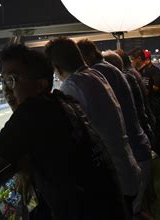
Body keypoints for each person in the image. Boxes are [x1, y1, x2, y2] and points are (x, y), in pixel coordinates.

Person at [0, 44, 125, 219]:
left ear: (41, 84)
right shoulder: (65, 101)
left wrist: (21, 160)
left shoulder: (32, 112)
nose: (7, 90)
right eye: (4, 82)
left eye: (13, 79)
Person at [45, 38, 140, 203]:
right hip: (126, 170)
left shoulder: (72, 86)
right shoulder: (95, 75)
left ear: (58, 69)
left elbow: (64, 136)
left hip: (114, 181)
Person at [77, 39, 151, 216]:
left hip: (132, 155)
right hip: (137, 152)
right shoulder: (111, 71)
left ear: (86, 56)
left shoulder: (97, 74)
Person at [102, 50, 154, 216]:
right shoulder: (130, 77)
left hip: (135, 150)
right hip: (141, 144)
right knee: (138, 201)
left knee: (132, 207)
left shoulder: (123, 81)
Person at [129, 48, 160, 156]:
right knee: (146, 127)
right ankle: (149, 148)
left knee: (155, 127)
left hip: (154, 103)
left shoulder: (156, 72)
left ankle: (157, 150)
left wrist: (148, 85)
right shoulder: (140, 71)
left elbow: (155, 87)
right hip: (146, 103)